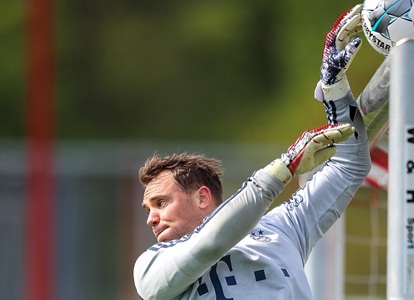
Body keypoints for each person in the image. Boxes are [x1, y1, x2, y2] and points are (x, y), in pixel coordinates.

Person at [134, 5, 371, 300]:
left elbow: (350, 166)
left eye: (160, 202)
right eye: (149, 209)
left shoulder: (281, 227)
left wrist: (334, 87)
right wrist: (284, 167)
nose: (151, 218)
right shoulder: (151, 266)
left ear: (202, 197)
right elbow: (208, 244)